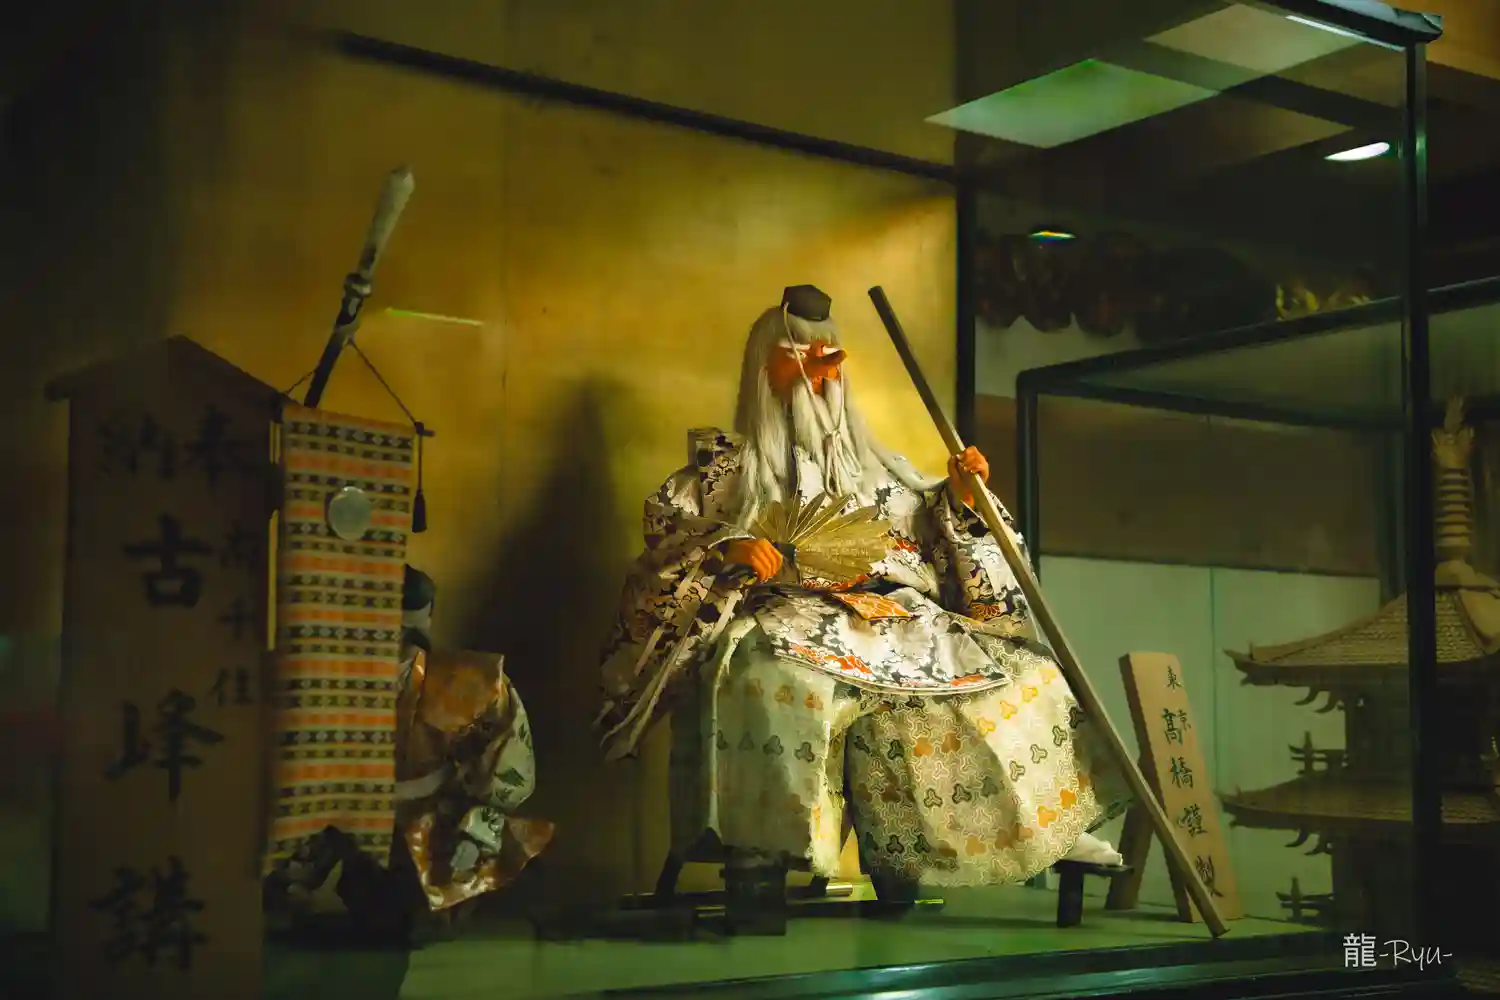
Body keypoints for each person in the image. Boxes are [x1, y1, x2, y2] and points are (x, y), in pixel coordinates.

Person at [597, 285, 1127, 924]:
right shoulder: (726, 474)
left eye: (828, 358)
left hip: (900, 621)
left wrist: (961, 501)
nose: (818, 373)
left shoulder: (883, 472)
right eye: (797, 357)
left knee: (1024, 675)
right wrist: (728, 548)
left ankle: (1049, 831)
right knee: (769, 677)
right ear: (761, 369)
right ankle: (764, 854)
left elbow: (936, 535)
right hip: (791, 616)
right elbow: (670, 542)